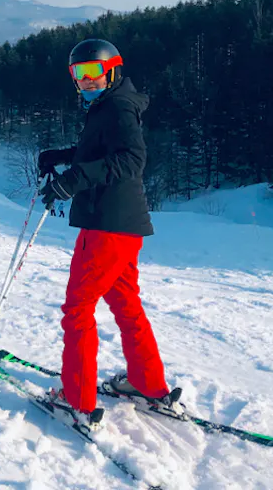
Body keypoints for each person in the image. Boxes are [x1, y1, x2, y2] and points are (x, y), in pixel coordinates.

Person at [37, 39, 180, 430]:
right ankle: (145, 382)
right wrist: (64, 157)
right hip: (124, 226)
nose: (85, 81)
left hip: (106, 226)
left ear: (112, 70)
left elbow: (131, 159)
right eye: (77, 75)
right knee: (126, 305)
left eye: (92, 73)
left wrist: (75, 179)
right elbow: (102, 151)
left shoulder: (117, 107)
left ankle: (77, 398)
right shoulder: (112, 104)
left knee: (78, 309)